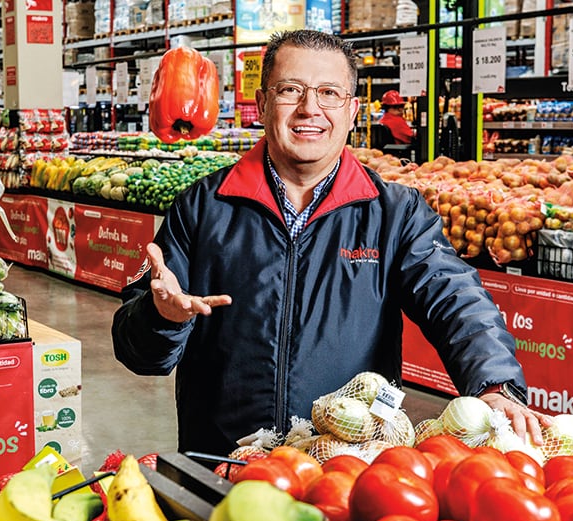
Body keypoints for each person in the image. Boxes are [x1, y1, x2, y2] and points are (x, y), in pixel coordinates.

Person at [112, 29, 548, 456]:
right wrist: (161, 317)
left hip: (347, 470)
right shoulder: (203, 208)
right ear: (262, 104)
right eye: (290, 90)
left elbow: (456, 298)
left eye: (329, 93)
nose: (309, 109)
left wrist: (493, 385)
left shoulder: (395, 213)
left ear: (353, 110)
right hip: (224, 464)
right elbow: (138, 353)